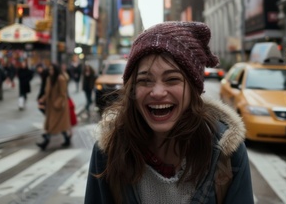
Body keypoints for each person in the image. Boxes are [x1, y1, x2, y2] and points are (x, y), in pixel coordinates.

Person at [85, 22, 253, 203]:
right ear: (132, 90)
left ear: (193, 89)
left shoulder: (227, 153)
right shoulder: (108, 151)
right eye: (145, 80)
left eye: (172, 79)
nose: (157, 92)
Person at [37, 64, 73, 150]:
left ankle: (45, 143)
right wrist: (42, 99)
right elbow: (47, 92)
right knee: (60, 125)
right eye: (49, 70)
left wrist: (57, 104)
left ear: (56, 70)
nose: (50, 72)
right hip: (51, 106)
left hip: (59, 107)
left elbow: (63, 94)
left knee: (52, 125)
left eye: (52, 70)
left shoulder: (60, 79)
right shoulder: (49, 79)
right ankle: (67, 138)